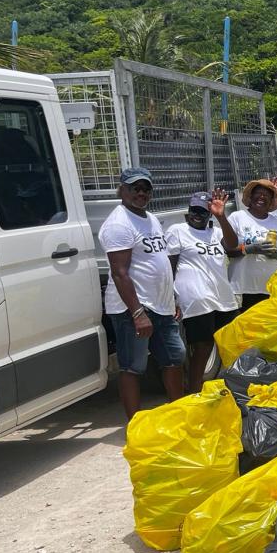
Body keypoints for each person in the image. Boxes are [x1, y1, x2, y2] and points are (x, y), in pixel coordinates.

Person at [99, 167, 185, 418]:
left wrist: (171, 299)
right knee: (133, 366)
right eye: (135, 188)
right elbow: (119, 273)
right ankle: (135, 425)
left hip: (161, 305)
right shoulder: (118, 224)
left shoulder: (150, 218)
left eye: (146, 188)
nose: (141, 193)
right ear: (121, 189)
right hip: (133, 308)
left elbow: (158, 262)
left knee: (174, 357)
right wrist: (137, 313)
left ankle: (179, 416)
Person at [166, 189, 239, 392]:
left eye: (202, 212)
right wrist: (171, 297)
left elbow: (233, 245)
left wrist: (221, 216)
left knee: (230, 346)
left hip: (223, 298)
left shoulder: (215, 232)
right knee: (202, 348)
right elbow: (169, 266)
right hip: (196, 300)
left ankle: (226, 390)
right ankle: (194, 393)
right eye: (194, 210)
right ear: (188, 211)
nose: (197, 215)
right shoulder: (177, 230)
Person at [227, 178, 277, 310]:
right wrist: (250, 249)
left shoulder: (275, 221)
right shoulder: (237, 217)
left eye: (267, 195)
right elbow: (228, 250)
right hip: (243, 287)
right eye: (258, 193)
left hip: (268, 289)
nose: (262, 197)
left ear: (271, 201)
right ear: (250, 197)